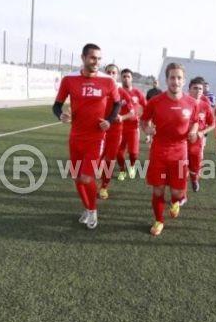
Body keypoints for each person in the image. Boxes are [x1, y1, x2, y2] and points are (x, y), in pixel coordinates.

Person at [52, 43, 121, 229]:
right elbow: (56, 105)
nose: (96, 62)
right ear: (83, 58)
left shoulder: (108, 81)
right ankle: (87, 208)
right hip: (75, 138)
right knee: (76, 177)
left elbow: (117, 103)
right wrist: (61, 115)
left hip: (96, 138)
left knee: (87, 178)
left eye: (99, 58)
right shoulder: (69, 80)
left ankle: (92, 211)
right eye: (92, 58)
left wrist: (109, 120)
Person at [140, 63, 199, 236]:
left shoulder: (191, 103)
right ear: (167, 80)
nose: (175, 81)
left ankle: (175, 201)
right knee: (158, 189)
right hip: (159, 151)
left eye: (179, 78)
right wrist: (147, 129)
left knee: (177, 192)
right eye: (172, 77)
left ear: (184, 80)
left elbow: (195, 121)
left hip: (180, 152)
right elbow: (143, 121)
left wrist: (194, 131)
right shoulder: (155, 101)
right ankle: (159, 220)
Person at [98, 64, 135, 200]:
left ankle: (104, 187)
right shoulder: (98, 90)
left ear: (117, 75)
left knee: (110, 160)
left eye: (114, 72)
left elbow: (132, 112)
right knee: (96, 160)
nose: (111, 74)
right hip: (98, 130)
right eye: (108, 72)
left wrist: (122, 117)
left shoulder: (122, 93)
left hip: (115, 132)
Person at [117, 68, 147, 180]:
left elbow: (146, 107)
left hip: (133, 127)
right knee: (119, 153)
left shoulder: (137, 93)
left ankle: (132, 166)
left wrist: (144, 119)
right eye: (124, 76)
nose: (126, 78)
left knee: (133, 153)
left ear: (132, 78)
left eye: (128, 76)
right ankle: (122, 171)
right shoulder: (117, 92)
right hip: (119, 127)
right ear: (121, 78)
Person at [187, 76, 215, 192]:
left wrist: (202, 132)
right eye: (195, 88)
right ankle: (180, 195)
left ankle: (194, 179)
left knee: (195, 166)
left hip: (197, 142)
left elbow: (212, 124)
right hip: (182, 142)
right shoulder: (182, 103)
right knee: (180, 169)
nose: (198, 91)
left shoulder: (205, 105)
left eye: (200, 89)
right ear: (189, 90)